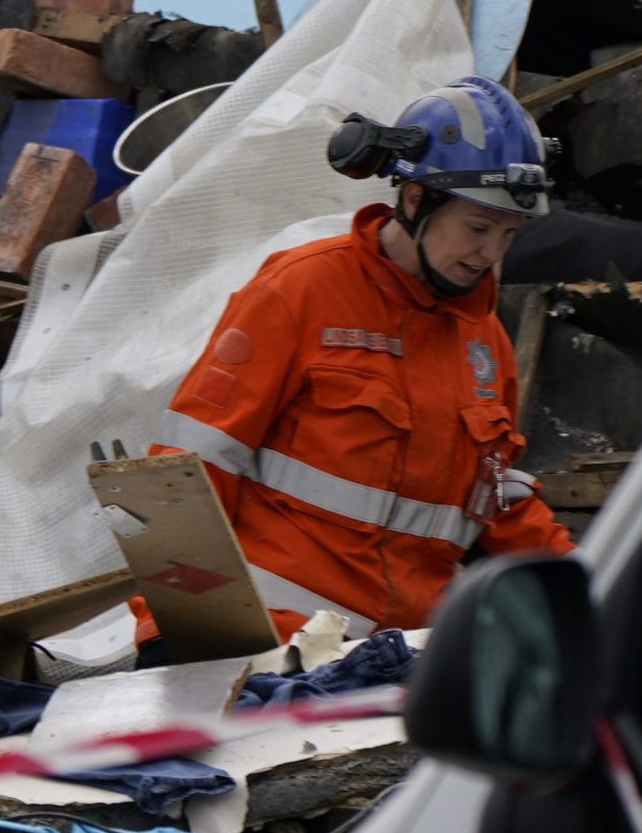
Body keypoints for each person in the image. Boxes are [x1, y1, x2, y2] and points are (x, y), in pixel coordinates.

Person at [151, 76, 574, 641]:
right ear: (417, 199)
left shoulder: (486, 343)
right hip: (276, 650)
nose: (491, 254)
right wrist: (177, 634)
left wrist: (586, 593)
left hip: (395, 665)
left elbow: (498, 499)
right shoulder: (299, 291)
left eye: (508, 234)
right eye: (477, 228)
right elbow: (188, 470)